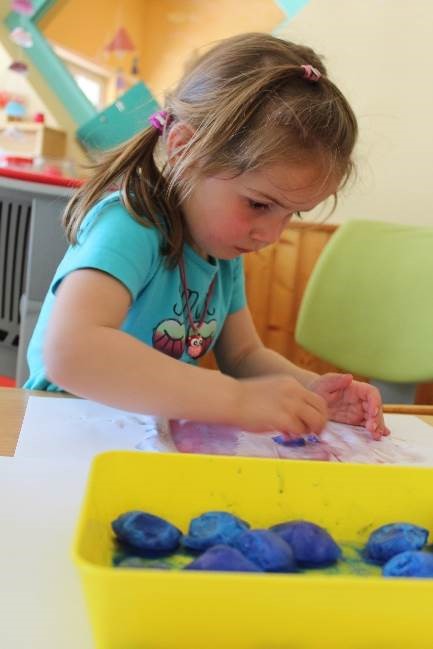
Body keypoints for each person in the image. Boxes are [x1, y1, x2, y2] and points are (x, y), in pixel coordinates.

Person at [24, 32, 390, 440]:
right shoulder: (130, 224)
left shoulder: (222, 252)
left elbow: (244, 355)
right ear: (184, 148)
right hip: (66, 432)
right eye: (258, 204)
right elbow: (71, 351)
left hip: (142, 438)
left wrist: (312, 391)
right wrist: (235, 399)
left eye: (293, 214)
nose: (271, 234)